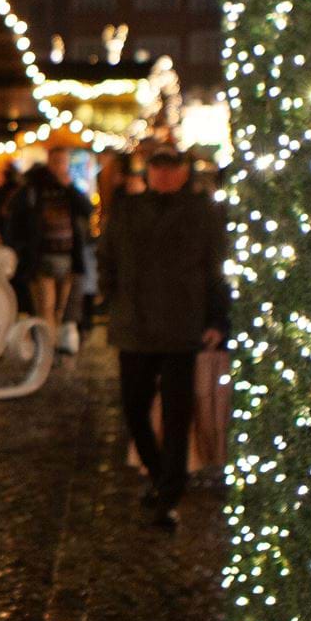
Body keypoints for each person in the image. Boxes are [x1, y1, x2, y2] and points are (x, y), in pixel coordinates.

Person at [98, 145, 228, 529]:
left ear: (184, 172)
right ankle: (160, 475)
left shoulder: (203, 212)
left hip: (181, 327)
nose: (164, 174)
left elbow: (216, 269)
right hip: (135, 326)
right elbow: (107, 256)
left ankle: (170, 491)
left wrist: (217, 320)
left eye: (172, 168)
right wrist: (114, 295)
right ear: (149, 171)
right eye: (158, 168)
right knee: (135, 408)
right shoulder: (128, 209)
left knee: (176, 415)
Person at [5, 145, 95, 356]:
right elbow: (14, 217)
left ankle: (51, 341)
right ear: (49, 162)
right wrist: (20, 248)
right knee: (46, 305)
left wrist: (70, 187)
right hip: (42, 257)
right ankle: (47, 347)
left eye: (63, 162)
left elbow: (87, 210)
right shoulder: (33, 188)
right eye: (56, 162)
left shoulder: (70, 189)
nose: (59, 167)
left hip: (68, 257)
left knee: (61, 308)